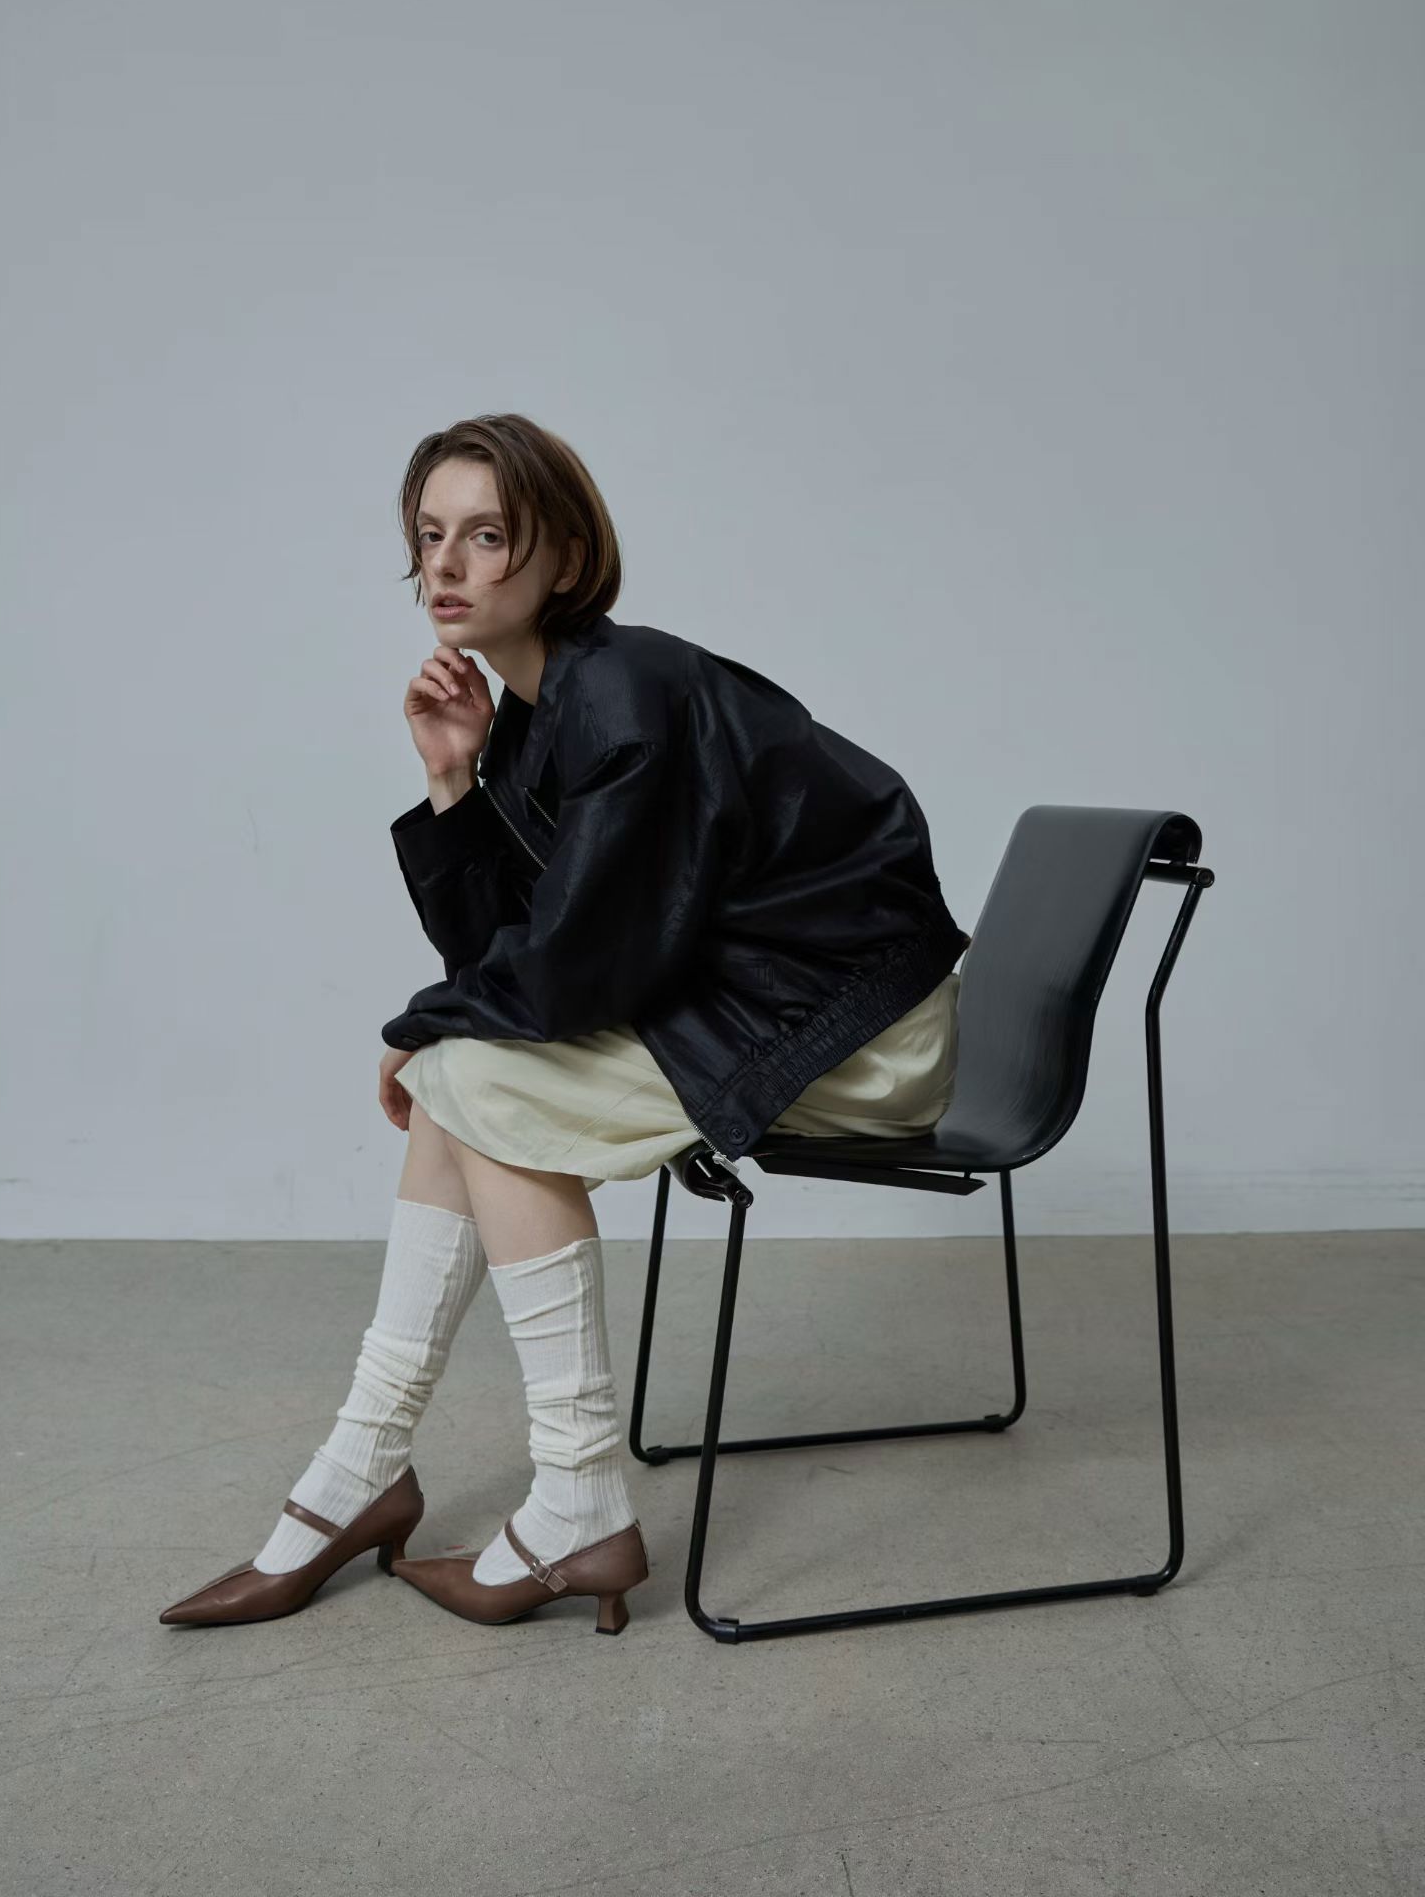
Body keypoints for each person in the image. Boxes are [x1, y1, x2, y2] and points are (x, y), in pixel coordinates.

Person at [159, 413, 970, 1633]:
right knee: (464, 1071)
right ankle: (369, 1467)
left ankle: (552, 1493)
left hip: (860, 1030)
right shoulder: (545, 709)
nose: (446, 566)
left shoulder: (624, 694)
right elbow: (515, 954)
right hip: (765, 998)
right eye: (429, 536)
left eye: (487, 536)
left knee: (468, 1076)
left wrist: (420, 1029)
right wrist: (455, 779)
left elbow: (569, 971)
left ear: (569, 558)